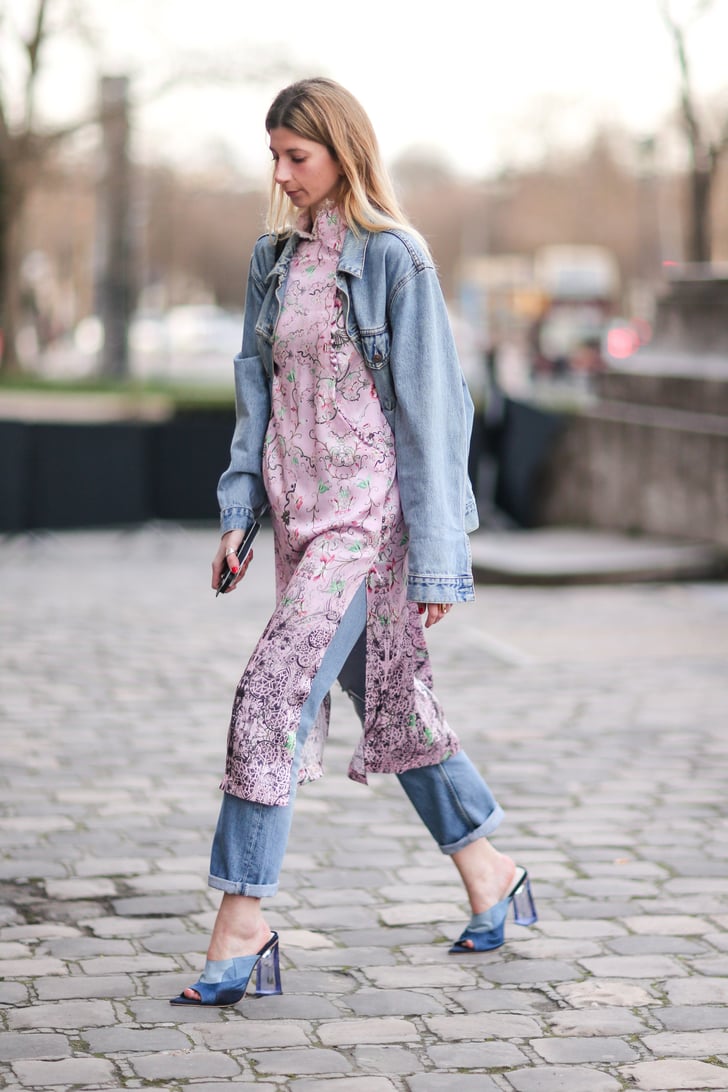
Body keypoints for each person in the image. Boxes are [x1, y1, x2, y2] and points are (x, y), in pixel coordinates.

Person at [171, 78, 536, 1008]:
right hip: (300, 525)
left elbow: (435, 412)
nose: (283, 174)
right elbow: (257, 398)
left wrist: (442, 553)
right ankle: (488, 869)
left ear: (343, 151)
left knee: (269, 694)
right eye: (275, 156)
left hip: (367, 529)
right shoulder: (273, 260)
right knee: (391, 703)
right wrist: (236, 509)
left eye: (299, 156)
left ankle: (242, 919)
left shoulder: (394, 259)